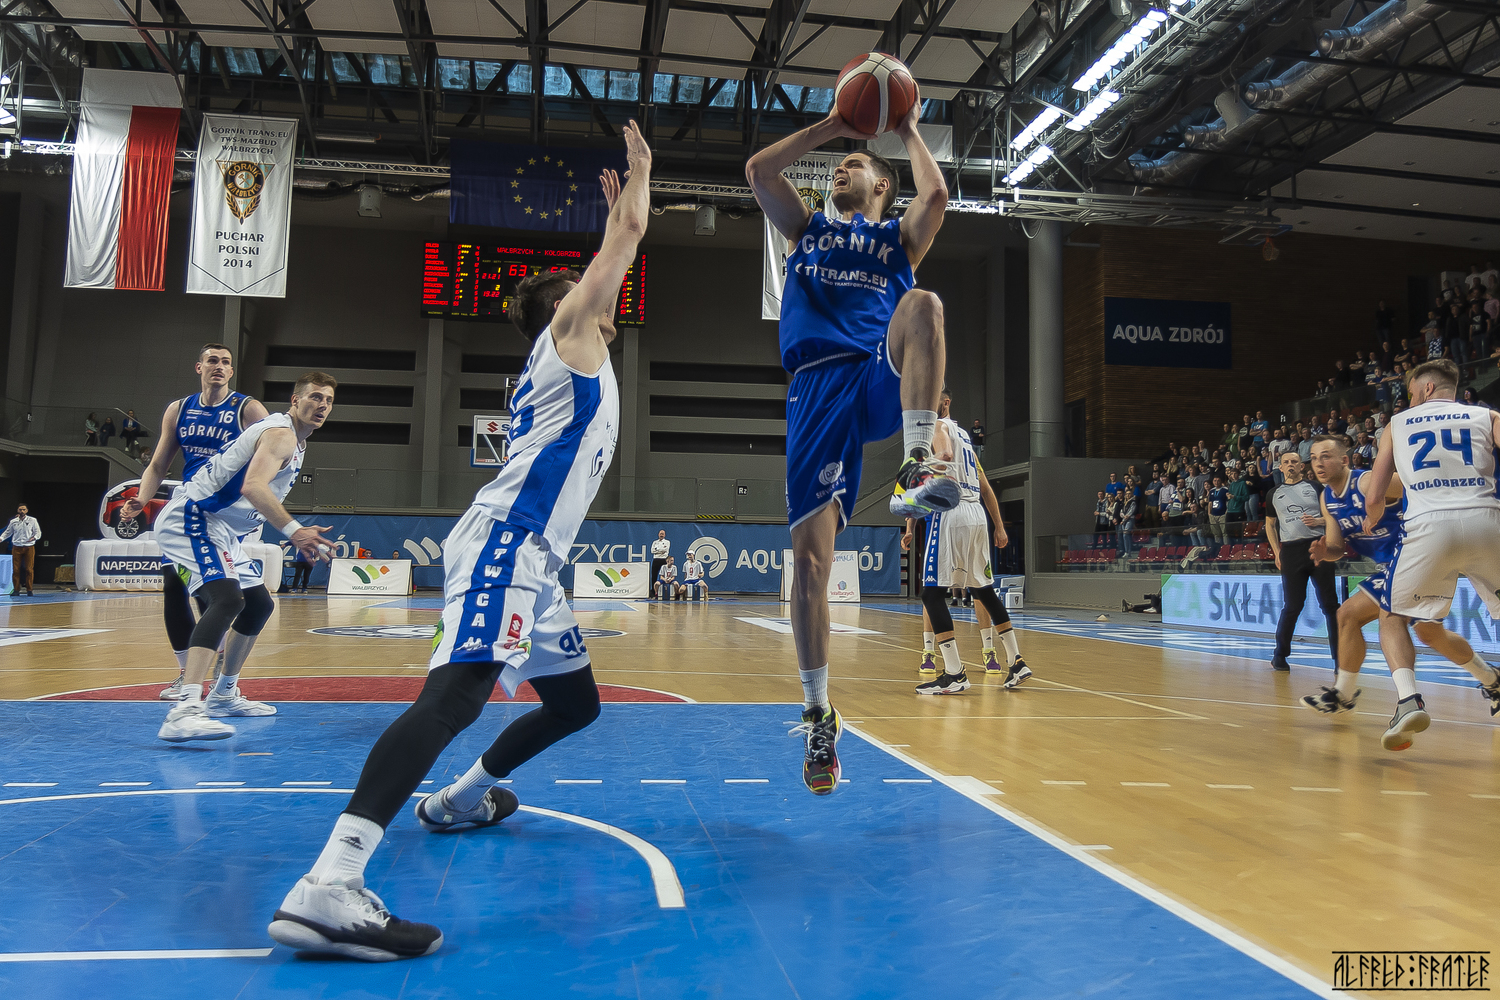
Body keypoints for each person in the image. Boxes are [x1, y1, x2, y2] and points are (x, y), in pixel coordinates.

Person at [267, 126, 649, 961]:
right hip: (510, 542)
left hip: (536, 562)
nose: (605, 292)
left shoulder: (576, 353)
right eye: (587, 288)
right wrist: (638, 185)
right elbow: (626, 240)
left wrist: (618, 223)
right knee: (453, 698)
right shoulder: (568, 339)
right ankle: (331, 882)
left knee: (576, 704)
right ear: (563, 310)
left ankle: (462, 800)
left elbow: (616, 256)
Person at [746, 85, 952, 796]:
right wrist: (836, 123)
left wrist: (908, 129)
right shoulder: (806, 230)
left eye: (854, 163)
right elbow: (759, 171)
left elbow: (937, 195)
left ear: (882, 185)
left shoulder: (897, 240)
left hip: (873, 374)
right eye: (839, 163)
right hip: (814, 389)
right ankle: (818, 713)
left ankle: (916, 462)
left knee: (923, 304)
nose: (840, 167)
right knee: (810, 564)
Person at [153, 373, 336, 743]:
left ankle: (223, 695)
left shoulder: (296, 441)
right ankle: (184, 711)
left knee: (258, 605)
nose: (321, 405)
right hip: (194, 516)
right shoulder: (281, 434)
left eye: (328, 400)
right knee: (227, 599)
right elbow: (253, 486)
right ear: (295, 400)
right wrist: (294, 531)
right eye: (314, 397)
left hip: (221, 528)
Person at [1359, 359, 1500, 751]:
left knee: (1392, 618)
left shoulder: (1397, 424)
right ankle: (1492, 681)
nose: (1409, 400)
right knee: (1427, 627)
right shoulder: (1487, 415)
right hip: (1486, 520)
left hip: (1428, 527)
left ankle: (1408, 701)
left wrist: (1372, 516)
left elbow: (1375, 493)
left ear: (1425, 388)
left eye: (1410, 392)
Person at [1299, 434, 1487, 725]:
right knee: (1428, 634)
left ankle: (1393, 699)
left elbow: (1422, 486)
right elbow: (1337, 546)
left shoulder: (1367, 482)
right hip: (1395, 567)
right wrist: (1327, 552)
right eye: (1313, 458)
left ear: (1344, 460)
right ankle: (1492, 679)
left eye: (1325, 456)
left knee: (1371, 615)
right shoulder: (1327, 498)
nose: (1319, 463)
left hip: (1417, 555)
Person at [121, 343, 271, 701]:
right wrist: (142, 498)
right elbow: (159, 464)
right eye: (212, 361)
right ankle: (187, 673)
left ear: (231, 371)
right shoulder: (179, 409)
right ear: (199, 367)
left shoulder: (248, 409)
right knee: (175, 584)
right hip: (188, 506)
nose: (219, 366)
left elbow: (271, 455)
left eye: (225, 362)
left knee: (220, 593)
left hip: (223, 512)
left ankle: (213, 671)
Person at [905, 392, 1029, 693]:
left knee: (932, 593)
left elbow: (945, 456)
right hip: (976, 515)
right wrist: (999, 526)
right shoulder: (965, 436)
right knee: (983, 590)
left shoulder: (937, 427)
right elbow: (984, 486)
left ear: (944, 401)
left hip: (951, 513)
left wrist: (922, 472)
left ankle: (954, 673)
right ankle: (1016, 661)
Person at [1265, 451, 1340, 671]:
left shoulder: (1316, 488)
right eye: (1286, 462)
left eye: (1294, 462)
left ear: (1301, 466)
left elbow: (1333, 515)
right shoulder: (1273, 493)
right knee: (1292, 605)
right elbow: (1270, 524)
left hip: (1319, 546)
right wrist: (1276, 552)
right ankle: (1280, 655)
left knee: (1330, 605)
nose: (1290, 465)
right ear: (1280, 467)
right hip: (1290, 551)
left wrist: (1319, 521)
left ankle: (1341, 660)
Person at [0, 504, 41, 597]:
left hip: (29, 547)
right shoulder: (13, 521)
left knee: (29, 569)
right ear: (17, 510)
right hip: (17, 547)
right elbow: (8, 532)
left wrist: (35, 537)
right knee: (16, 569)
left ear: (27, 510)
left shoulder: (32, 520)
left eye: (24, 509)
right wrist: (1, 538)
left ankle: (29, 589)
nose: (22, 511)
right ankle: (16, 589)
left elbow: (38, 532)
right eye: (20, 509)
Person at [649, 530, 669, 595]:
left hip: (663, 559)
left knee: (665, 575)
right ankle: (653, 591)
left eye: (663, 534)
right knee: (654, 576)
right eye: (660, 534)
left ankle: (665, 591)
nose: (661, 535)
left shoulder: (667, 542)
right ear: (658, 534)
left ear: (665, 535)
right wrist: (661, 551)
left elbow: (665, 550)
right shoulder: (655, 542)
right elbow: (652, 551)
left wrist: (657, 550)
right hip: (656, 559)